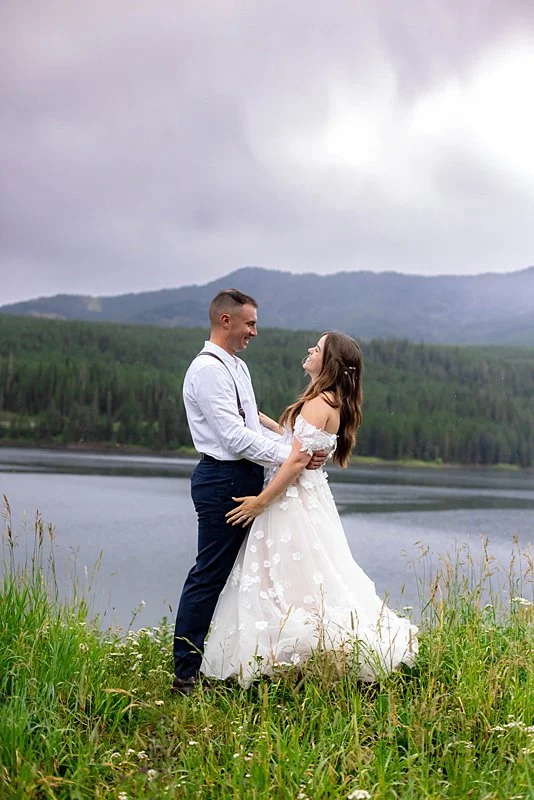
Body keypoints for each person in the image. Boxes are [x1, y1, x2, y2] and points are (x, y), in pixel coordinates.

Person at [201, 331, 418, 686]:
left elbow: (297, 459)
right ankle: (291, 658)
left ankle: (296, 656)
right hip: (306, 498)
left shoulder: (319, 404)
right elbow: (296, 444)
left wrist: (261, 501)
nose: (309, 350)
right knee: (299, 574)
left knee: (290, 577)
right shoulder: (330, 401)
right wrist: (264, 421)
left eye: (316, 349)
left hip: (292, 501)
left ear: (328, 362)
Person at [172, 289, 327, 695]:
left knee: (246, 575)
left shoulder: (236, 367)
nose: (254, 332)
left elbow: (250, 426)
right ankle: (185, 675)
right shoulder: (207, 370)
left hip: (243, 478)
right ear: (226, 321)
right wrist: (291, 456)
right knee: (210, 574)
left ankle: (232, 662)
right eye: (250, 323)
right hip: (222, 479)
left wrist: (291, 454)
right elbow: (234, 437)